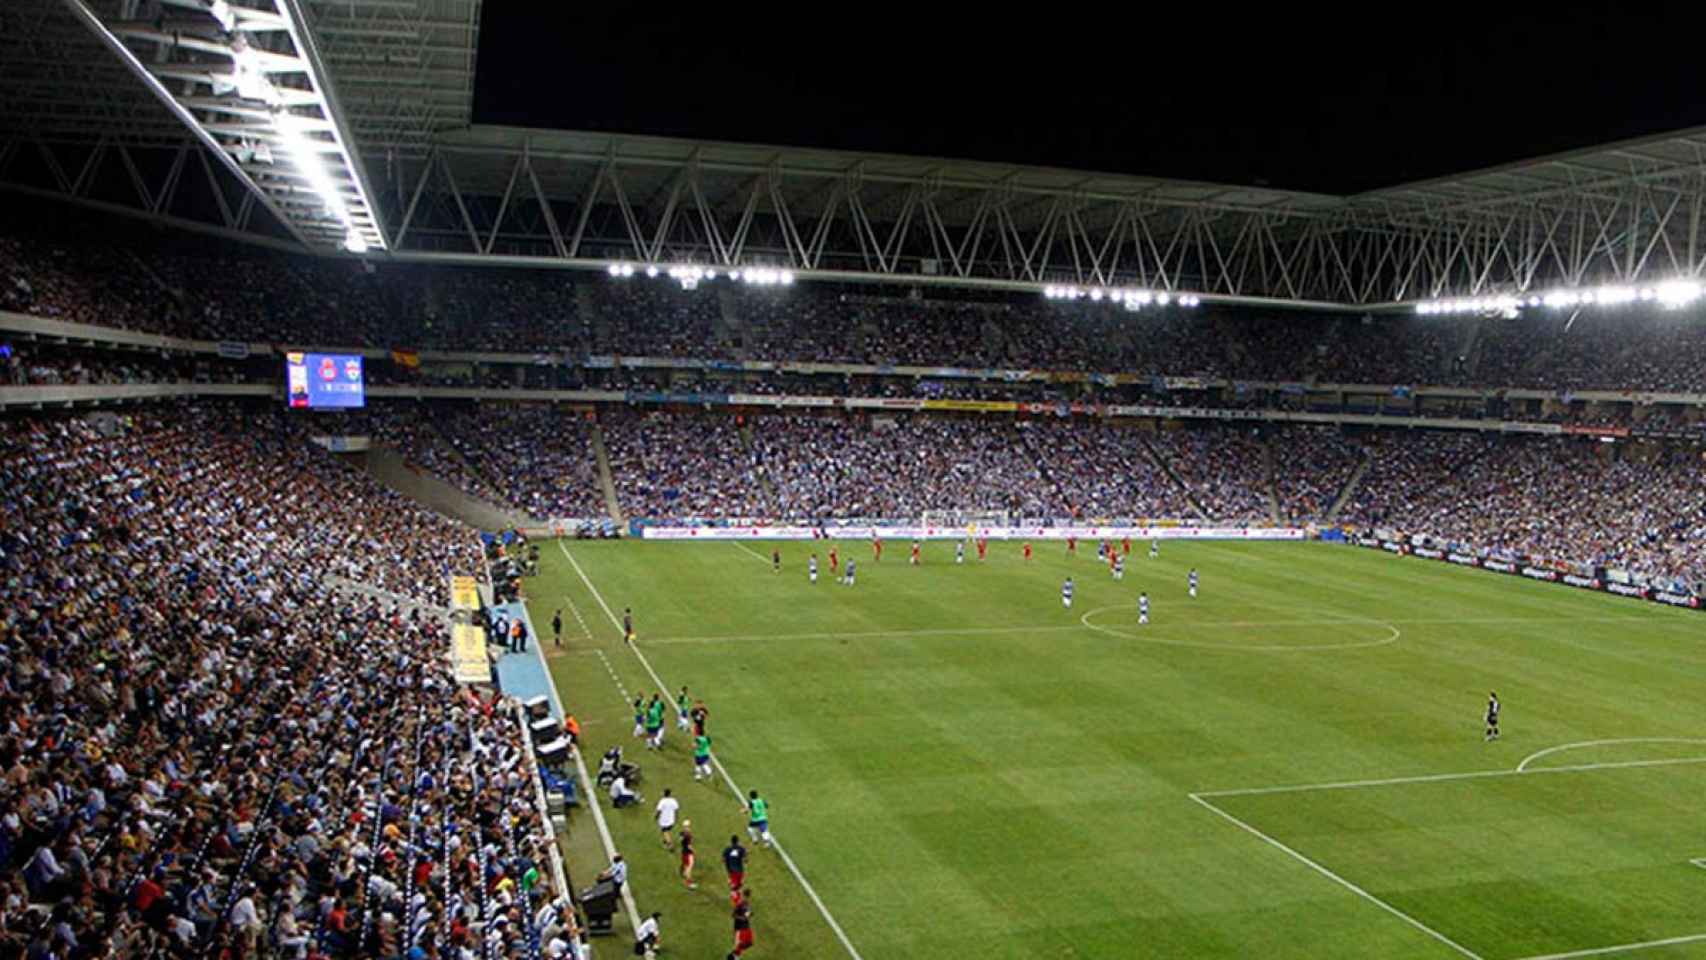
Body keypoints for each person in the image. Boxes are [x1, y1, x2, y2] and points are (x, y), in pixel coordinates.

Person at [680, 820, 697, 889]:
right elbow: (689, 845)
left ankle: (684, 874)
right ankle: (689, 883)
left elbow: (682, 841)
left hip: (683, 852)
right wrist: (693, 851)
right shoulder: (688, 835)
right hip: (688, 853)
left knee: (686, 866)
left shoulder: (681, 834)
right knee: (690, 867)